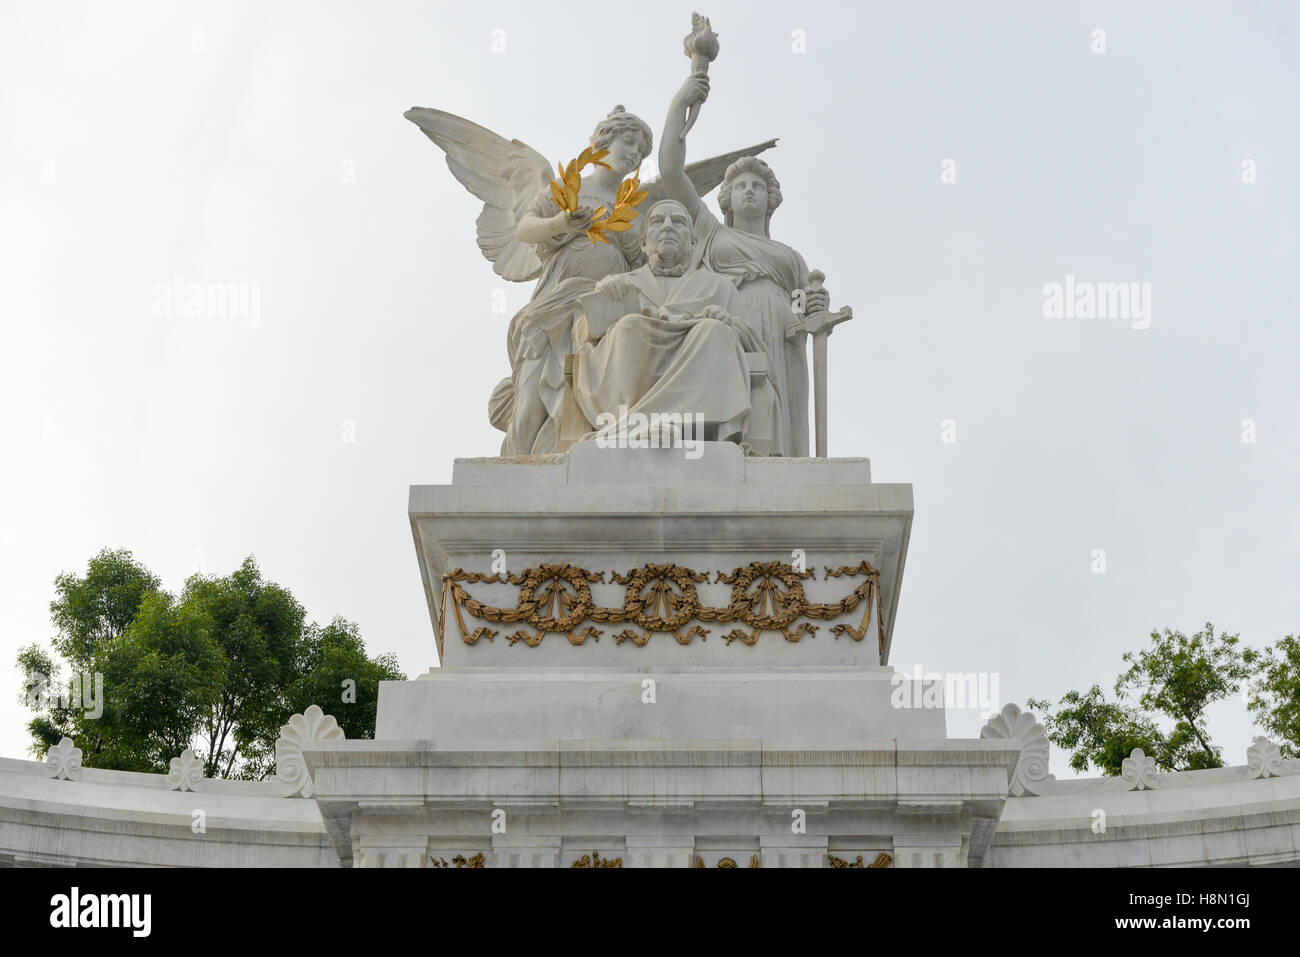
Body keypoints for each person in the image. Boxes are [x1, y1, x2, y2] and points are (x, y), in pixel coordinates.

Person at [657, 75, 830, 456]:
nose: (749, 190)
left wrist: (816, 308)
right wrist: (678, 105)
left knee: (779, 406)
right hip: (729, 318)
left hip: (784, 332)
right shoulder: (711, 233)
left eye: (757, 186)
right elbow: (670, 171)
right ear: (727, 200)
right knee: (737, 398)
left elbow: (803, 304)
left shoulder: (790, 257)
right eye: (740, 186)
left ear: (771, 200)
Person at [501, 106, 654, 455]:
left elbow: (646, 267)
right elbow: (525, 229)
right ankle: (513, 477)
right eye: (628, 142)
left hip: (602, 314)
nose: (634, 153)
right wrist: (561, 225)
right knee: (530, 404)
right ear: (603, 142)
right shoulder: (567, 189)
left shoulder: (632, 211)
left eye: (641, 151)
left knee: (583, 404)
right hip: (553, 307)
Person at [572, 199, 776, 448]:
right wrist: (604, 296)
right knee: (630, 327)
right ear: (644, 243)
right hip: (635, 360)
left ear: (693, 243)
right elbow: (582, 336)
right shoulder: (622, 284)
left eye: (678, 222)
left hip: (698, 360)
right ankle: (635, 424)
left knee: (715, 331)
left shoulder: (719, 286)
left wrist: (729, 322)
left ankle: (673, 424)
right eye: (658, 222)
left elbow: (752, 340)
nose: (668, 226)